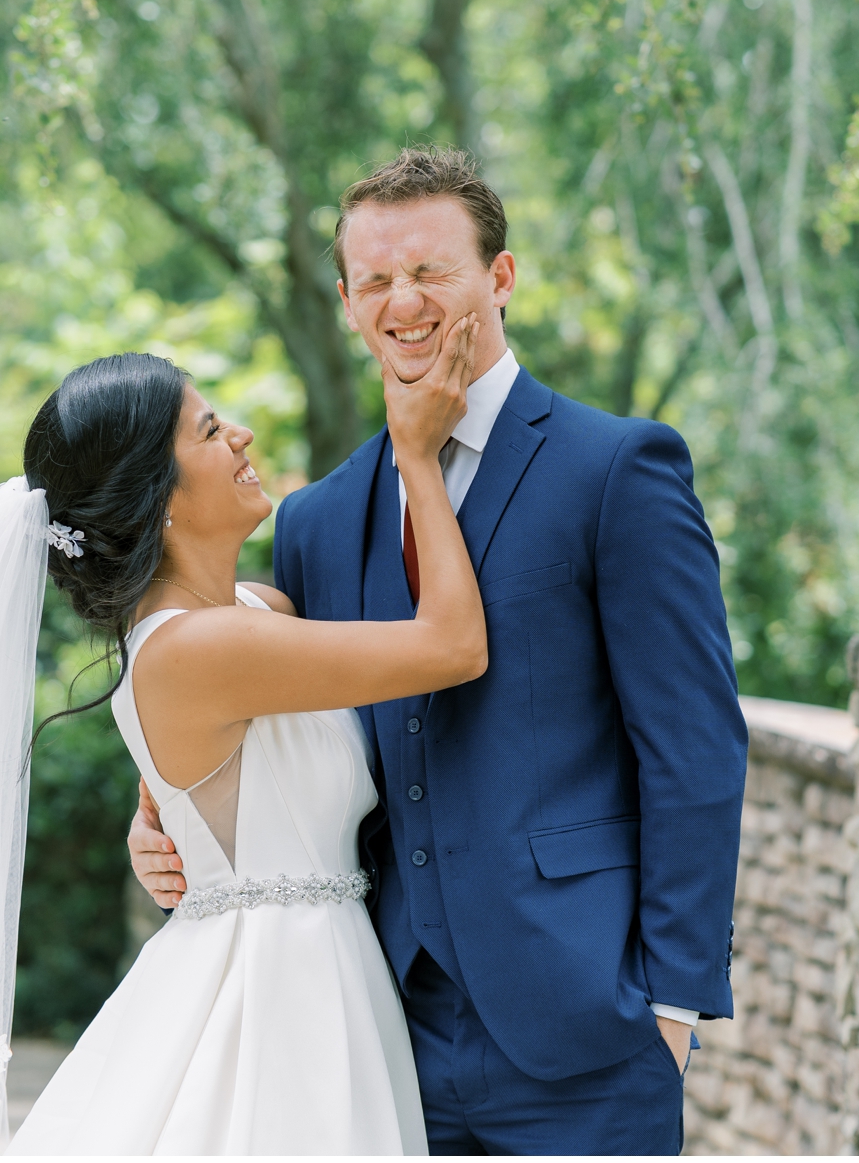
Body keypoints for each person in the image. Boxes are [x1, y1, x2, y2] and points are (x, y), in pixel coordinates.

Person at [131, 146, 748, 1155]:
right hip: (377, 1022)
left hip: (585, 1022)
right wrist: (158, 819)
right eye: (373, 280)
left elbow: (692, 745)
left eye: (430, 271)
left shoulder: (616, 469)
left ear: (499, 278)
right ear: (343, 300)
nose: (402, 301)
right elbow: (234, 694)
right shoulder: (318, 519)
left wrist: (672, 1002)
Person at [0, 322, 486, 1155]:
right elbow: (454, 648)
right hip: (270, 996)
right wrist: (418, 457)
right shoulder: (197, 649)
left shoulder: (258, 614)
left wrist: (159, 819)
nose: (241, 434)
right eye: (210, 431)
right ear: (159, 493)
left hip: (326, 972)